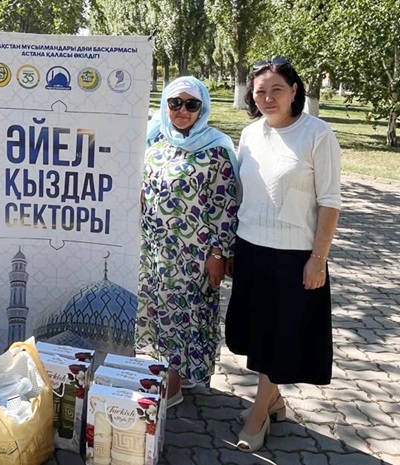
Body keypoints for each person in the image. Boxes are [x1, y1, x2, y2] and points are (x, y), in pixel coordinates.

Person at [224, 58, 341, 452]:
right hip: (250, 248)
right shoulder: (250, 134)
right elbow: (243, 193)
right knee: (257, 333)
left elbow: (329, 201)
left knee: (279, 337)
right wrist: (233, 247)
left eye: (277, 89)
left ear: (294, 90)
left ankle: (258, 417)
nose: (268, 98)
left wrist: (318, 258)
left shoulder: (317, 134)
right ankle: (273, 401)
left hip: (294, 257)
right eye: (260, 91)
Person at [135, 76, 239, 409]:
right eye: (175, 103)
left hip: (195, 252)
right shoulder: (154, 141)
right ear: (165, 105)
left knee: (186, 314)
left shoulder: (216, 149)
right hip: (156, 249)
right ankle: (175, 372)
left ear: (202, 108)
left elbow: (225, 205)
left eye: (191, 104)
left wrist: (218, 253)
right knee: (162, 310)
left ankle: (174, 384)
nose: (183, 110)